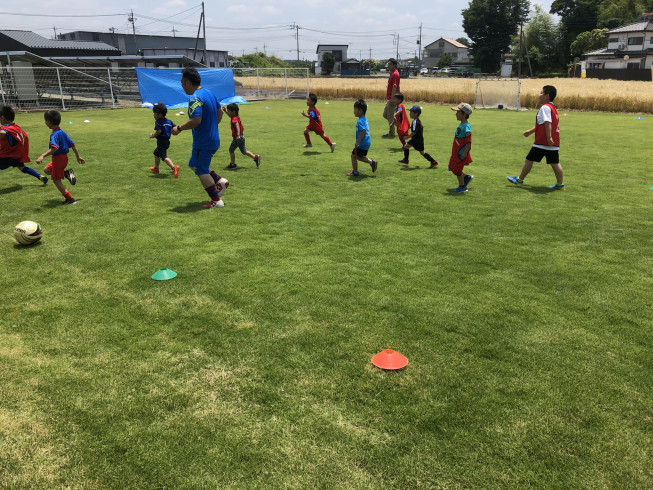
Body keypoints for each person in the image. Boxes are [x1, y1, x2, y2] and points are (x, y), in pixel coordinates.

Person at [171, 68, 229, 209]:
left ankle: (216, 201)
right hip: (212, 138)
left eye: (182, 83)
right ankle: (220, 181)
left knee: (201, 170)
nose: (182, 86)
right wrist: (213, 126)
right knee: (193, 164)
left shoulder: (195, 98)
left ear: (187, 82)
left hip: (203, 141)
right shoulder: (209, 93)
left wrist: (178, 129)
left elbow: (196, 120)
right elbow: (220, 111)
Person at [507, 85, 563, 189]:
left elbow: (547, 122)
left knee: (529, 159)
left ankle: (519, 179)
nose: (539, 95)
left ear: (547, 96)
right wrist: (531, 131)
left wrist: (548, 137)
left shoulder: (545, 107)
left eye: (541, 93)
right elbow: (542, 124)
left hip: (542, 142)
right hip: (552, 142)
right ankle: (560, 184)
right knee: (555, 162)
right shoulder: (553, 107)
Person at [36, 110, 85, 204]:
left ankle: (70, 199)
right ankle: (66, 173)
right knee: (46, 170)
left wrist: (43, 155)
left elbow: (54, 148)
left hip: (58, 159)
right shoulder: (62, 132)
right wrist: (78, 157)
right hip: (63, 158)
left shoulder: (54, 134)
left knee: (56, 180)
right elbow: (73, 145)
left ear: (48, 122)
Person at [0, 105, 48, 185]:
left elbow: (3, 133)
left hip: (8, 155)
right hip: (17, 155)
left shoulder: (5, 128)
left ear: (3, 118)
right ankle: (40, 176)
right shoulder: (16, 127)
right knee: (23, 168)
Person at [222, 103, 261, 169]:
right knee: (244, 151)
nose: (228, 112)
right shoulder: (235, 116)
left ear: (233, 112)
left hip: (238, 138)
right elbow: (231, 116)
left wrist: (237, 135)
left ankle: (232, 165)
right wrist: (225, 111)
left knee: (231, 150)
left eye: (229, 111)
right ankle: (255, 157)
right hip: (242, 136)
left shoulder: (234, 119)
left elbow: (237, 127)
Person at [348, 99, 378, 177]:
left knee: (353, 156)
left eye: (355, 109)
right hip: (366, 142)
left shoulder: (360, 121)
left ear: (360, 111)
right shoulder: (365, 119)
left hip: (362, 143)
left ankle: (355, 172)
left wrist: (357, 142)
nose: (354, 111)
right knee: (358, 156)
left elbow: (363, 131)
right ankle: (372, 162)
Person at [149, 102, 179, 178]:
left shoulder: (158, 122)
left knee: (163, 156)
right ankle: (156, 168)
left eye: (154, 113)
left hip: (161, 141)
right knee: (156, 153)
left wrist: (153, 136)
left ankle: (173, 167)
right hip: (166, 142)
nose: (154, 115)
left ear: (159, 114)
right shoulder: (169, 121)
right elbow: (174, 128)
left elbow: (159, 131)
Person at [449, 103, 473, 193]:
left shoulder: (467, 126)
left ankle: (462, 187)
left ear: (464, 114)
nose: (456, 114)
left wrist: (465, 153)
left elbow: (468, 141)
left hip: (461, 152)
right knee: (453, 167)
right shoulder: (461, 124)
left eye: (458, 112)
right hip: (456, 151)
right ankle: (466, 177)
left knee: (457, 170)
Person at [382, 58, 400, 138]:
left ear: (394, 65)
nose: (388, 65)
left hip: (392, 98)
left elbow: (394, 87)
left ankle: (391, 134)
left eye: (390, 64)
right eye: (388, 64)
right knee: (385, 115)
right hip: (390, 97)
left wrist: (393, 99)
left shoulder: (395, 74)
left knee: (390, 116)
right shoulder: (392, 73)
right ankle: (400, 125)